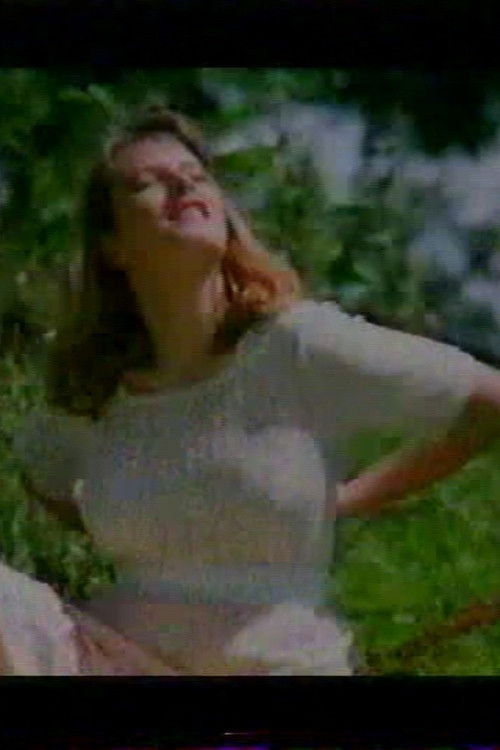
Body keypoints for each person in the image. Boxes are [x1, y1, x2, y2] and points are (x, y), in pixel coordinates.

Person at [5, 101, 500, 675]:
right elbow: (43, 471)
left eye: (195, 176)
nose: (184, 186)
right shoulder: (96, 387)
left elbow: (488, 400)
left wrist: (350, 498)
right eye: (148, 183)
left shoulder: (297, 344)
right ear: (112, 245)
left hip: (275, 662)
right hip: (118, 657)